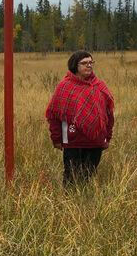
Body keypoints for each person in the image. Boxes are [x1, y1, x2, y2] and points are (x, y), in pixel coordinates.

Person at [45, 50, 114, 186]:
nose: (89, 66)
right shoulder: (64, 86)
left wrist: (107, 136)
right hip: (73, 141)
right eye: (84, 63)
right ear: (75, 66)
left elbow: (109, 115)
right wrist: (56, 138)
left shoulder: (99, 86)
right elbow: (54, 116)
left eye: (91, 62)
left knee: (88, 177)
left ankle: (84, 204)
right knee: (71, 178)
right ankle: (68, 205)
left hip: (95, 142)